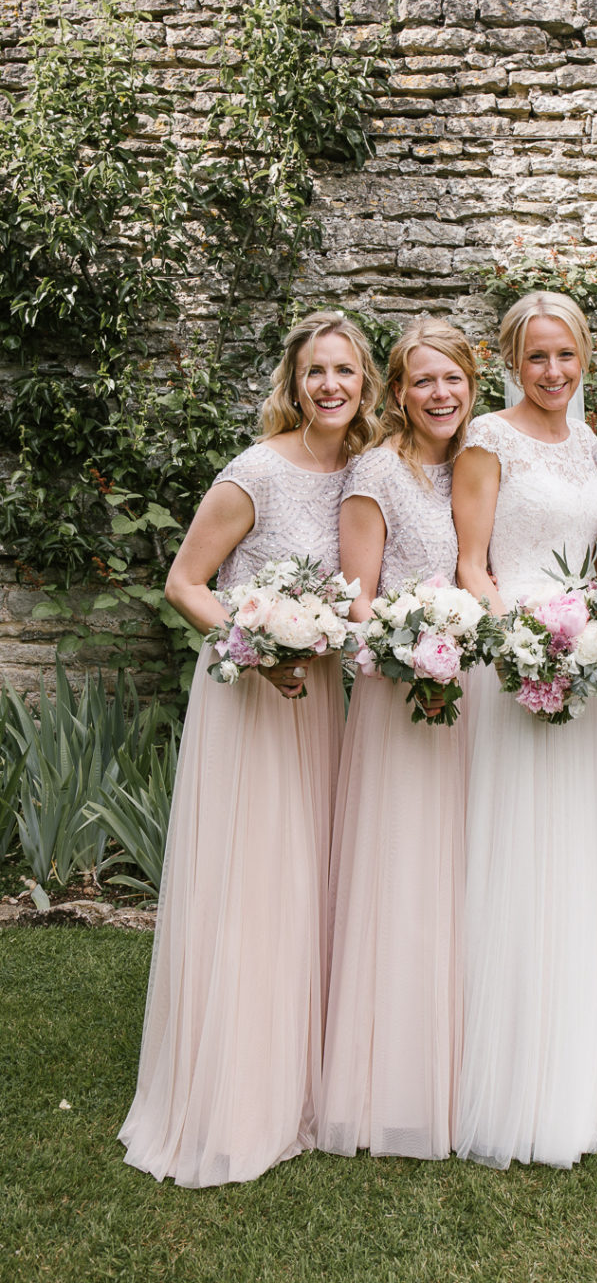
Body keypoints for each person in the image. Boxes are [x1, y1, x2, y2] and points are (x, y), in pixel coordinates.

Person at [119, 311, 381, 1188]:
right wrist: (258, 644)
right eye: (316, 373)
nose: (331, 386)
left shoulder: (362, 474)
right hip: (253, 699)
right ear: (293, 383)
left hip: (318, 709)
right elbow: (185, 584)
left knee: (308, 881)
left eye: (345, 371)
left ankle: (300, 1079)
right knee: (253, 884)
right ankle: (234, 1098)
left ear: (364, 381)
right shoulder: (254, 474)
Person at [451, 292, 597, 1169]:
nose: (553, 373)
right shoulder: (490, 439)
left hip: (581, 669)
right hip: (513, 664)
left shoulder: (595, 443)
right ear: (512, 363)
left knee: (577, 861)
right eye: (536, 359)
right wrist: (526, 640)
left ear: (584, 356)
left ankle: (582, 1066)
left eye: (565, 356)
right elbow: (471, 563)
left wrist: (583, 634)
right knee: (516, 862)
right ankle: (509, 1076)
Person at [317, 319, 477, 1160]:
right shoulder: (375, 472)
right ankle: (387, 1088)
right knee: (402, 874)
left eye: (452, 378)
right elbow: (356, 600)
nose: (439, 395)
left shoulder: (466, 467)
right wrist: (418, 650)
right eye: (422, 382)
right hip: (401, 693)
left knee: (454, 879)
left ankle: (456, 1068)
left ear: (472, 382)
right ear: (398, 391)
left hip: (461, 697)